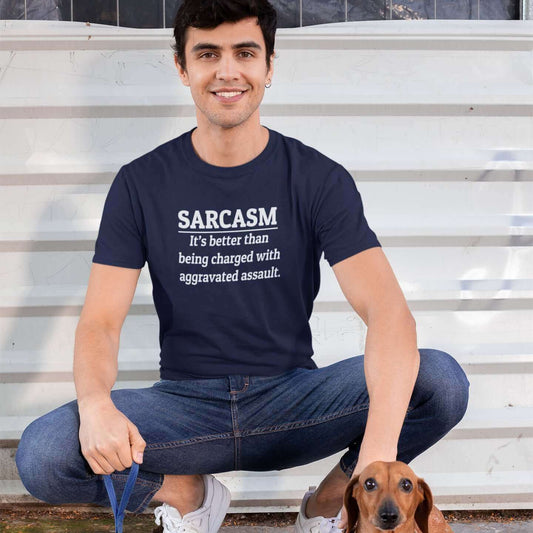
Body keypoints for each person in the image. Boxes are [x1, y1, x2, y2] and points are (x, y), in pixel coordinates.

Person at [15, 1, 470, 532]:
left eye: (245, 53)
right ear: (183, 68)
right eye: (207, 53)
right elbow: (100, 322)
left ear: (269, 66)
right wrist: (95, 405)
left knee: (438, 380)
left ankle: (330, 503)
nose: (227, 71)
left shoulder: (317, 178)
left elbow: (389, 312)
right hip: (187, 409)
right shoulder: (140, 183)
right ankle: (185, 494)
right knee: (44, 453)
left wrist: (374, 460)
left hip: (294, 401)